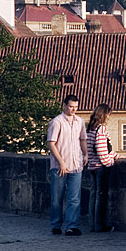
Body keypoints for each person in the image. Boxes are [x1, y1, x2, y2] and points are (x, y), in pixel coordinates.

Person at [47, 94, 88, 236]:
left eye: (76, 107)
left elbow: (83, 139)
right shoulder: (56, 122)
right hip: (60, 166)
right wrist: (61, 162)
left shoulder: (80, 122)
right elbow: (51, 144)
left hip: (76, 164)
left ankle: (71, 226)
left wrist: (86, 154)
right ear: (65, 105)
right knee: (57, 198)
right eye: (71, 106)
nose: (73, 110)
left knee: (74, 197)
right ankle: (56, 225)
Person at [86, 103, 117, 233]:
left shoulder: (90, 128)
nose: (109, 118)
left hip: (91, 165)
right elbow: (102, 152)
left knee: (93, 195)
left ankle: (92, 224)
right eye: (108, 115)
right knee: (101, 196)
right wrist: (111, 160)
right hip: (100, 167)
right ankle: (100, 225)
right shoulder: (101, 129)